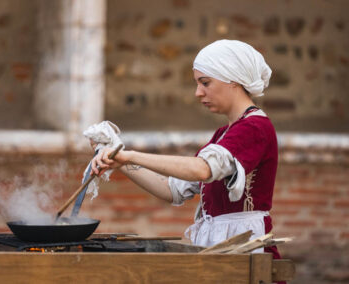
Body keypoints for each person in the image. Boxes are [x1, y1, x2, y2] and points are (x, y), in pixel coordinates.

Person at [91, 40, 282, 260]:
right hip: (222, 247)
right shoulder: (223, 134)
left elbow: (201, 169)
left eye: (205, 83)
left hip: (246, 247)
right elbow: (170, 190)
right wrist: (121, 160)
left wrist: (131, 155)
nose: (198, 93)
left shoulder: (255, 127)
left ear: (234, 81)